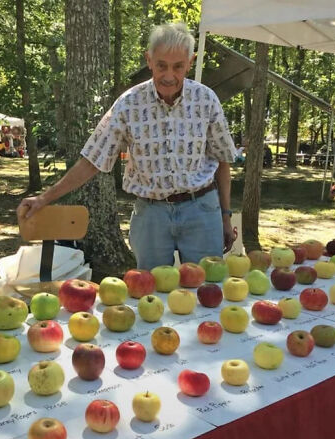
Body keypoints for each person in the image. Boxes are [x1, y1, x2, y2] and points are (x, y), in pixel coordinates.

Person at [17, 23, 236, 269]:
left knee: (206, 290)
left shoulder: (206, 100)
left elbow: (222, 161)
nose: (169, 76)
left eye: (178, 67)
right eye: (161, 65)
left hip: (202, 210)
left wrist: (226, 217)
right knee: (151, 294)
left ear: (190, 62)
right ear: (149, 60)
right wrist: (45, 198)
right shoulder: (129, 104)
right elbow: (92, 160)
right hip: (152, 214)